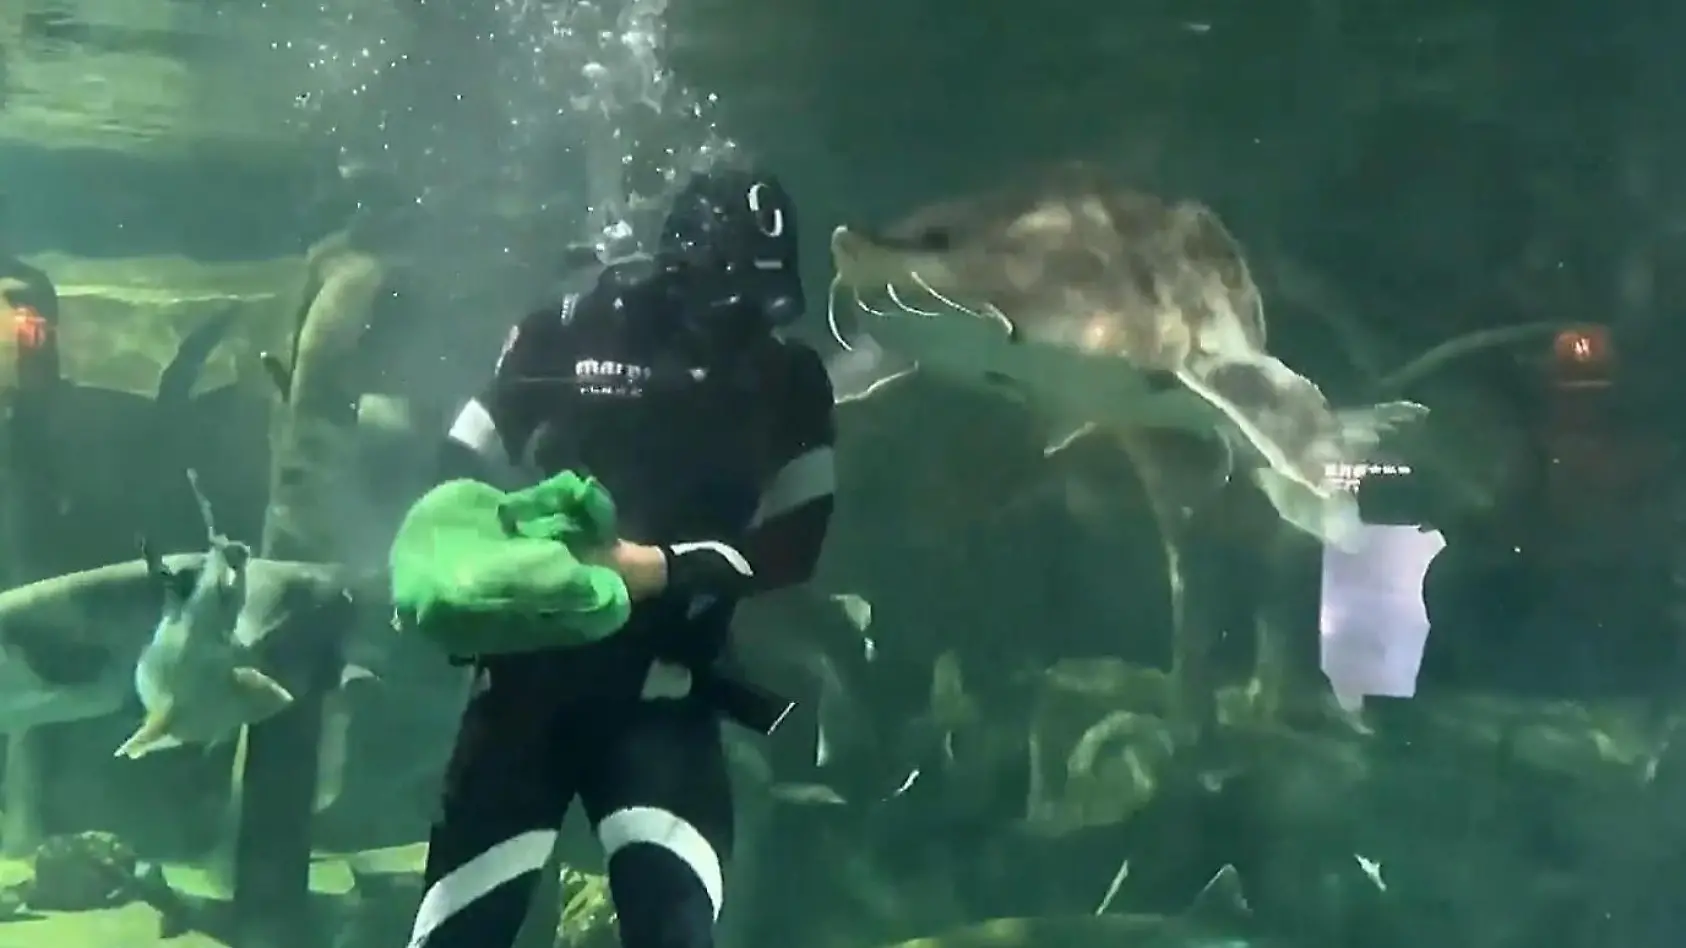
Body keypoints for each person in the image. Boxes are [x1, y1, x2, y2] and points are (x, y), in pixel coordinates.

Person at [411, 166, 836, 948]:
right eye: (728, 301)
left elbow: (797, 541)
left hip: (665, 693)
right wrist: (484, 564)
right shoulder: (567, 329)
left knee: (675, 929)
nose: (742, 329)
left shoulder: (791, 378)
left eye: (759, 307)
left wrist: (660, 566)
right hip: (527, 683)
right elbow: (458, 464)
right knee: (461, 935)